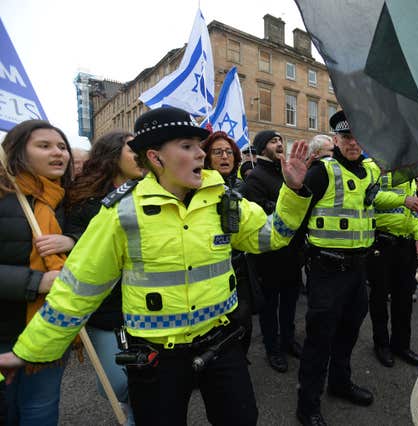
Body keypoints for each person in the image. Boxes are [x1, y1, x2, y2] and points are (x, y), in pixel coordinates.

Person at [0, 106, 312, 426]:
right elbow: (76, 289)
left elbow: (270, 238)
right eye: (187, 147)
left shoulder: (223, 199)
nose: (200, 155)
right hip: (157, 359)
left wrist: (294, 192)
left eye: (198, 146)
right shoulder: (122, 212)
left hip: (223, 345)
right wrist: (28, 351)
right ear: (156, 157)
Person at [296, 110, 418, 426]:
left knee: (349, 332)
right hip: (326, 270)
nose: (353, 143)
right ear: (336, 140)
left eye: (357, 138)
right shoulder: (322, 172)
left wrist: (403, 200)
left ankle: (340, 383)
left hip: (357, 270)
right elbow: (297, 214)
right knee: (319, 340)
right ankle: (307, 404)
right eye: (346, 138)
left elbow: (373, 197)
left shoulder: (367, 174)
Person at [65, 130, 144, 424]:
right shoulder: (86, 201)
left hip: (145, 309)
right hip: (105, 312)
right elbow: (76, 243)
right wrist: (73, 240)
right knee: (118, 383)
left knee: (145, 383)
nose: (142, 152)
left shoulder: (154, 194)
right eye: (132, 148)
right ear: (112, 155)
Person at [0, 120, 75, 425]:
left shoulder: (66, 199)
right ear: (18, 153)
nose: (58, 153)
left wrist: (72, 240)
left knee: (40, 409)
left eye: (62, 146)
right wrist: (37, 282)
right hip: (4, 332)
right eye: (44, 146)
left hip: (50, 330)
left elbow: (95, 244)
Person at [243, 130, 304, 373]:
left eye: (280, 140)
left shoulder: (285, 172)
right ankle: (273, 349)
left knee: (290, 303)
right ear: (261, 148)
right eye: (272, 141)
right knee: (270, 307)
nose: (279, 144)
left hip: (292, 254)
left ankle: (288, 341)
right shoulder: (255, 178)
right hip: (269, 258)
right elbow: (258, 214)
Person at [202, 130, 256, 355]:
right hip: (209, 277)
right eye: (217, 152)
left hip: (239, 271)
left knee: (243, 326)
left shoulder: (243, 189)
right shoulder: (195, 190)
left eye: (228, 152)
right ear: (206, 157)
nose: (224, 156)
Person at [367, 167, 418, 368]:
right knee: (379, 296)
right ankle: (381, 345)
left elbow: (412, 210)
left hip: (405, 243)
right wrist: (403, 200)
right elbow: (370, 196)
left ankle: (401, 345)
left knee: (404, 298)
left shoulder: (408, 171)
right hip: (381, 242)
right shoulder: (373, 166)